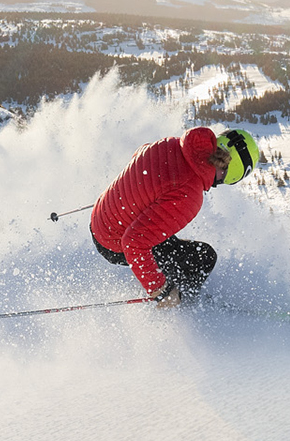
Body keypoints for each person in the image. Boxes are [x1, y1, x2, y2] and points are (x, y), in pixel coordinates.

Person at [89, 126, 261, 307]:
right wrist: (160, 290)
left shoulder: (172, 143)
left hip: (101, 215)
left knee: (171, 243)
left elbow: (139, 157)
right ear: (235, 175)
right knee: (203, 257)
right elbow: (133, 243)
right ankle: (183, 305)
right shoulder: (190, 194)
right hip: (112, 241)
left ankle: (174, 284)